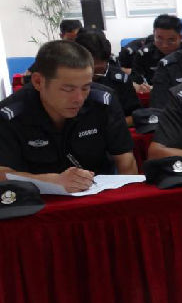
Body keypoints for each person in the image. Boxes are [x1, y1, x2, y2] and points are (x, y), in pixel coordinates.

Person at [0, 40, 137, 192]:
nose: (79, 99)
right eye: (68, 89)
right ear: (38, 82)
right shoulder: (10, 115)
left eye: (85, 88)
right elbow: (2, 173)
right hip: (36, 198)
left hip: (98, 194)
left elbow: (126, 160)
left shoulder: (103, 102)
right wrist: (51, 182)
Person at [75, 30, 141, 123]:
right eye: (90, 69)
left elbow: (134, 115)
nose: (94, 75)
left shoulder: (120, 79)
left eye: (99, 70)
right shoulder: (65, 81)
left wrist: (109, 126)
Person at [119, 14, 182, 90]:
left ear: (180, 37)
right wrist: (139, 87)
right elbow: (137, 81)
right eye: (159, 39)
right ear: (154, 34)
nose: (164, 45)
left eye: (171, 40)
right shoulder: (143, 54)